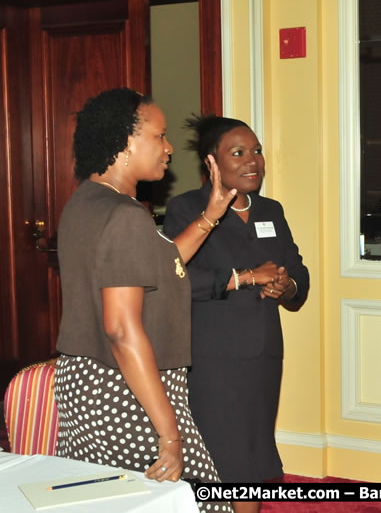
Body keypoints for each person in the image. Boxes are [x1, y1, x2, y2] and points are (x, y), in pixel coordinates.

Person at [55, 88, 236, 513]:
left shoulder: (85, 202)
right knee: (199, 502)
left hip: (85, 383)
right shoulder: (124, 216)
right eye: (159, 136)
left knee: (107, 503)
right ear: (125, 143)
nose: (169, 148)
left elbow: (161, 265)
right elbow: (121, 330)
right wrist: (169, 434)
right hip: (127, 392)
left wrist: (211, 214)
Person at [163, 115, 309, 513]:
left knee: (253, 454)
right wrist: (244, 277)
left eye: (257, 151)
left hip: (263, 356)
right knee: (226, 457)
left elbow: (298, 271)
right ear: (212, 162)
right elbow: (176, 277)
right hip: (214, 358)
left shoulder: (270, 210)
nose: (252, 161)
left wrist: (286, 285)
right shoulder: (187, 208)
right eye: (238, 153)